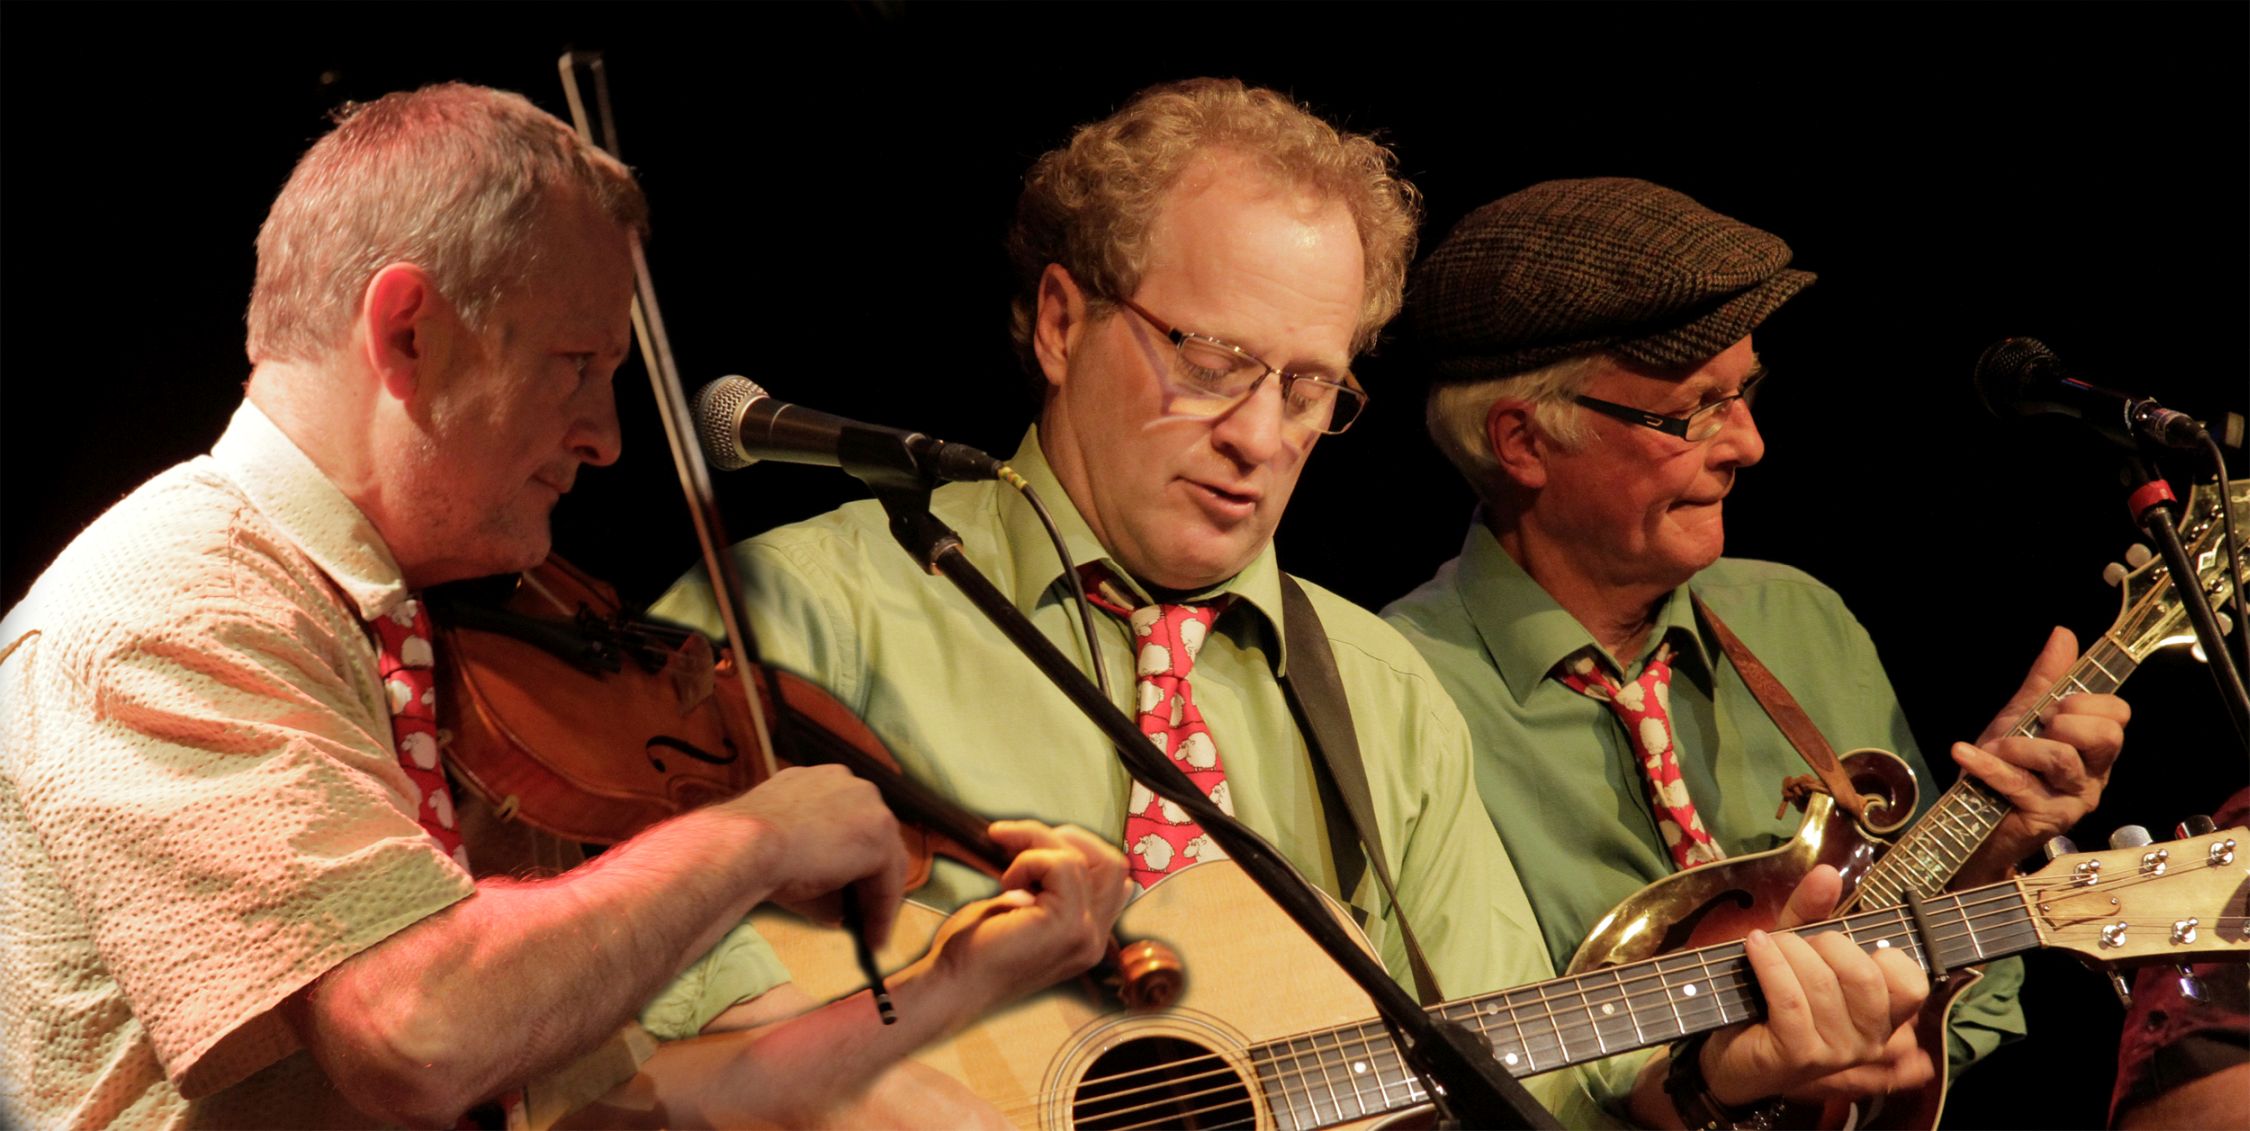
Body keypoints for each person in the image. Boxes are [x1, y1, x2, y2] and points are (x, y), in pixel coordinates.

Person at [655, 80, 1933, 1127]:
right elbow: (594, 1032)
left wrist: (1719, 1073)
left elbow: (1540, 1069)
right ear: (1059, 320)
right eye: (1212, 365)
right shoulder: (794, 613)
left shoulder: (1375, 688)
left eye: (1312, 387)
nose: (1259, 437)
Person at [0, 83, 1126, 1129]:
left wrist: (959, 981)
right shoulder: (177, 605)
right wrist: (749, 835)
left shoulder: (411, 637)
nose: (606, 437)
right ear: (406, 332)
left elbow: (648, 1107)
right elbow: (416, 1035)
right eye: (576, 363)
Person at [1382, 176, 2132, 1122]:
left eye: (1746, 392)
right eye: (1695, 409)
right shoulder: (1392, 691)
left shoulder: (1797, 618)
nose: (1749, 442)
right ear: (1523, 440)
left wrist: (1992, 850)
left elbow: (1967, 1012)